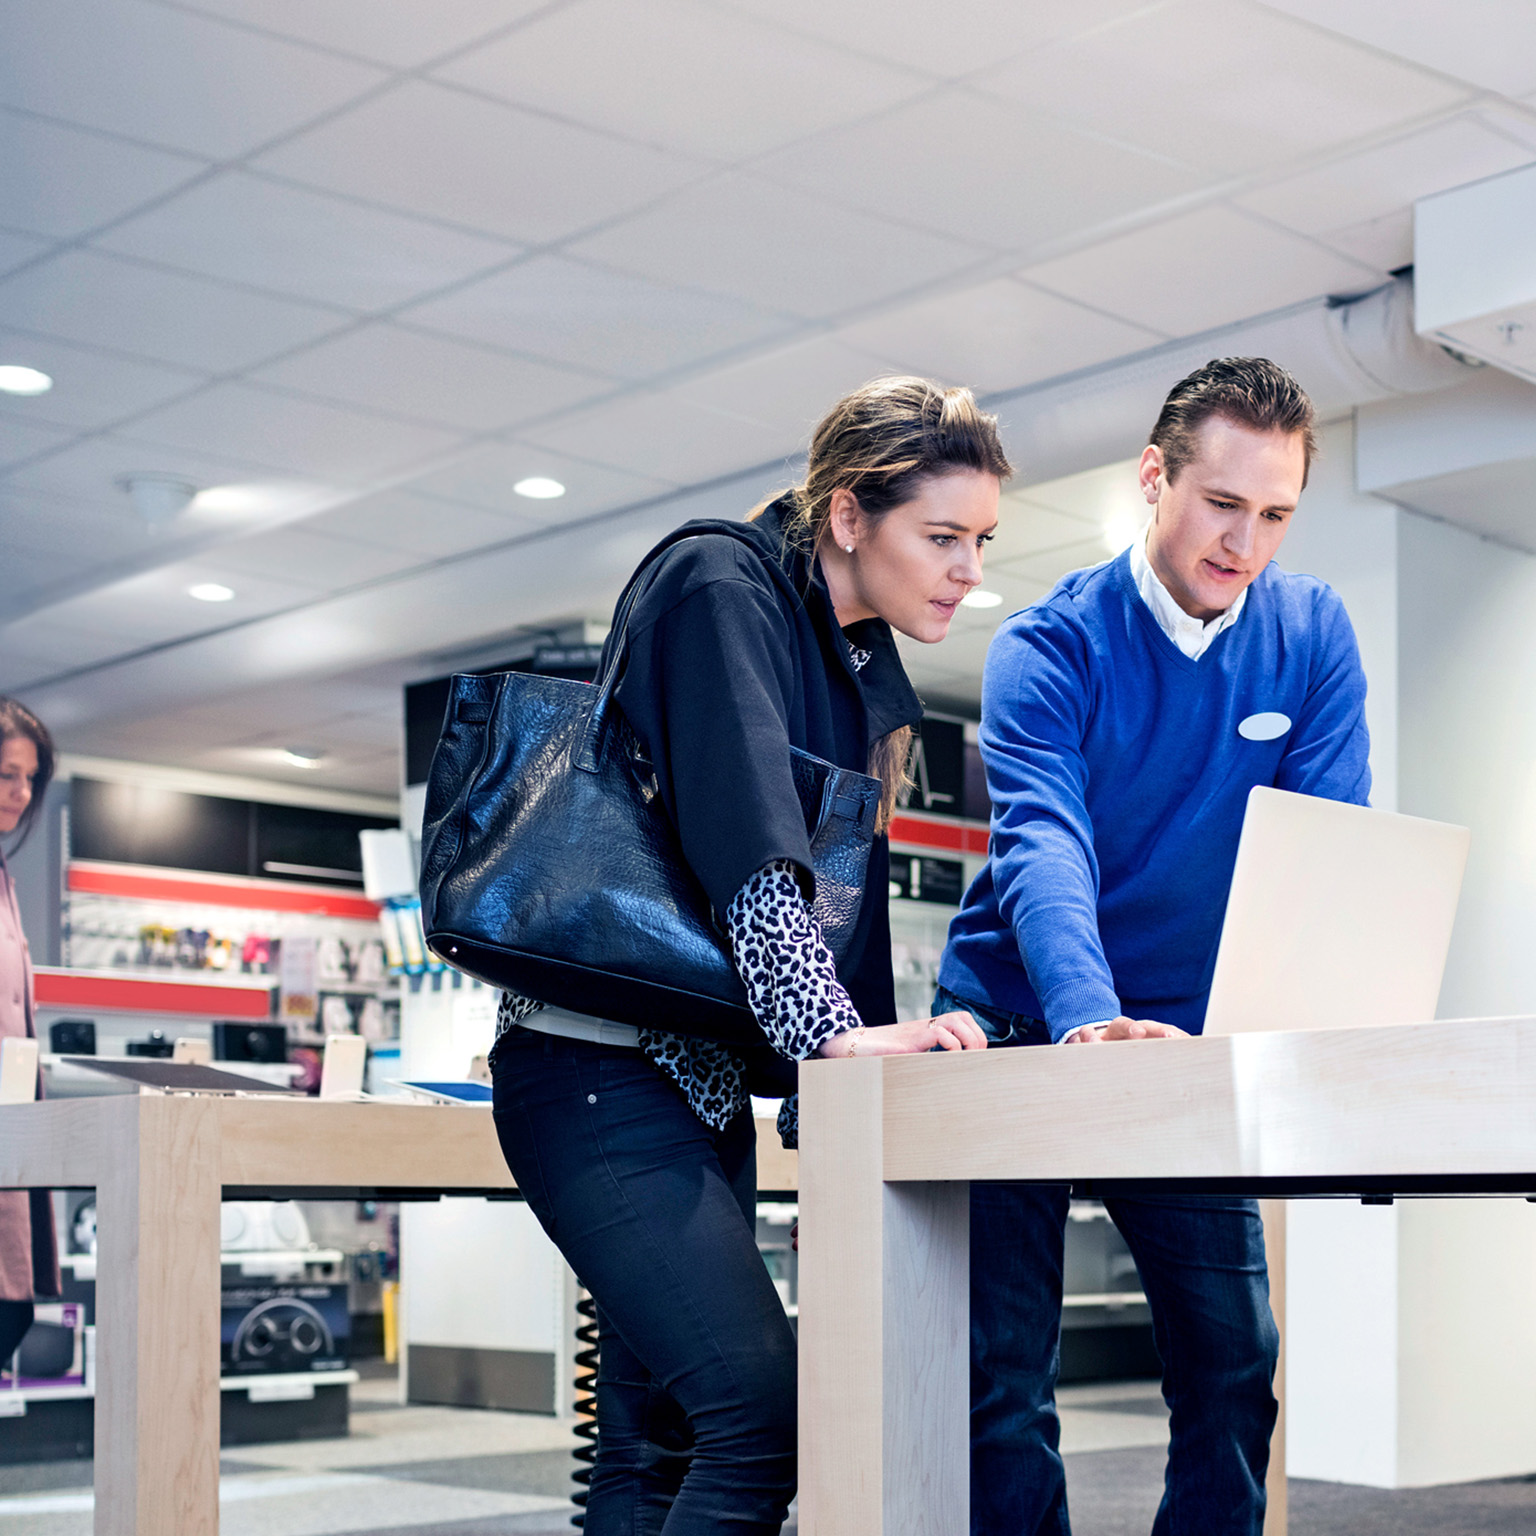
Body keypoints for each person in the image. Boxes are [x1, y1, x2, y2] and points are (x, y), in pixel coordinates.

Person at [489, 377, 1008, 1534]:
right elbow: (752, 854)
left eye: (980, 539)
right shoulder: (718, 582)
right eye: (941, 536)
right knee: (759, 1418)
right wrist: (829, 1036)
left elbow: (844, 904)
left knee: (656, 1445)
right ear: (846, 517)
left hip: (692, 1088)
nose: (969, 567)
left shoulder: (862, 661)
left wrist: (846, 1079)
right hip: (593, 1073)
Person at [936, 358, 1371, 1535]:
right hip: (1023, 1019)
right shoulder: (1050, 644)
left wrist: (1321, 1020)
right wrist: (1085, 1014)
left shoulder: (1312, 633)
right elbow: (1043, 848)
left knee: (1234, 1365)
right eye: (1223, 503)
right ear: (1153, 479)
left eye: (1274, 514)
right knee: (1001, 1383)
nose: (1246, 541)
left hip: (1180, 1039)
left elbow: (1327, 851)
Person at [0, 696, 61, 1372]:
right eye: (6, 775)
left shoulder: (4, 879)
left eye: (29, 778)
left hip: (13, 1138)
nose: (20, 793)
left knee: (12, 1307)